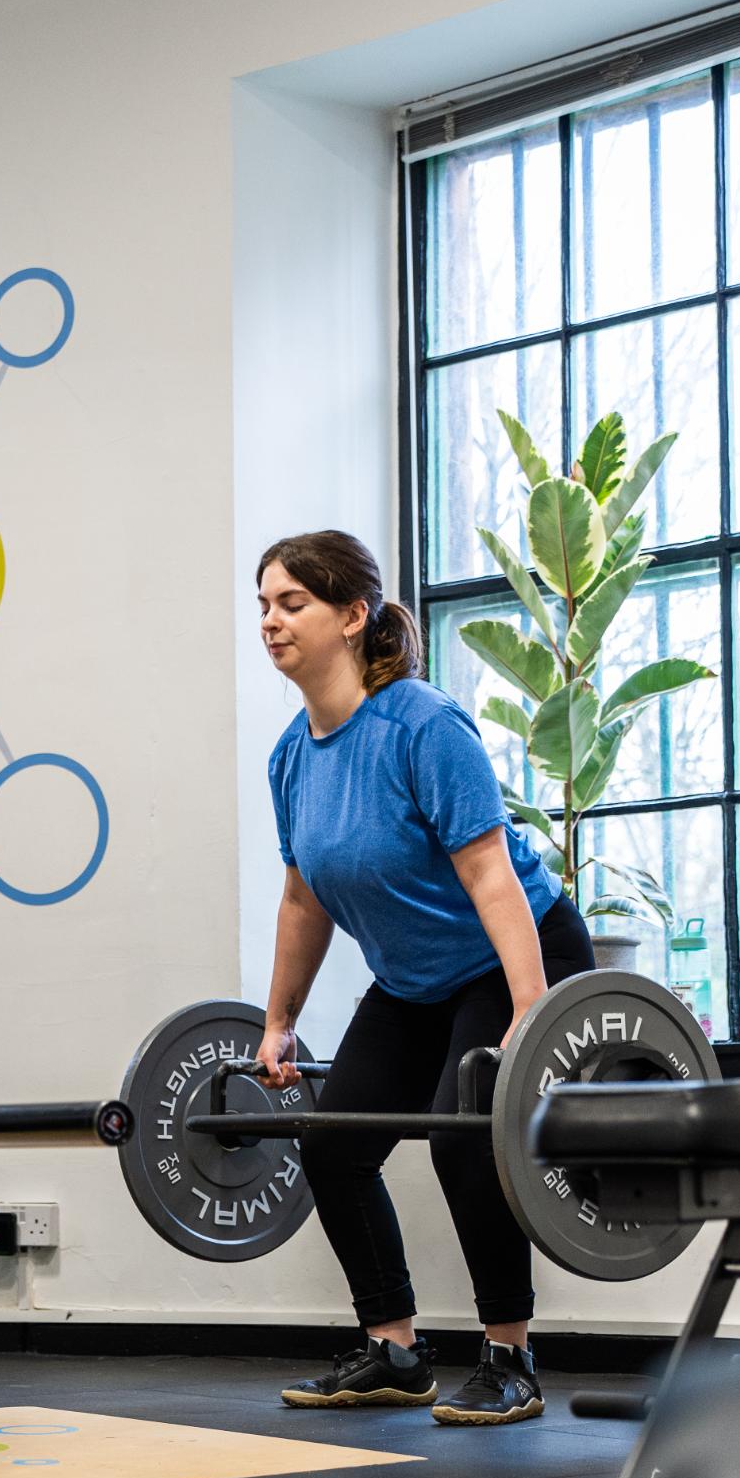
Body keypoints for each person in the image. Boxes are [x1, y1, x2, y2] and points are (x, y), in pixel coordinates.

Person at [255, 529, 593, 1426]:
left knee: (464, 1134)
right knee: (332, 1145)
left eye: (293, 603)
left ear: (352, 615)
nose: (271, 622)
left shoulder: (422, 725)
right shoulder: (292, 757)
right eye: (265, 606)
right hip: (414, 982)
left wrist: (530, 1005)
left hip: (513, 954)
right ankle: (396, 1352)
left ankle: (511, 1357)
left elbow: (490, 873)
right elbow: (302, 901)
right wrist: (277, 1021)